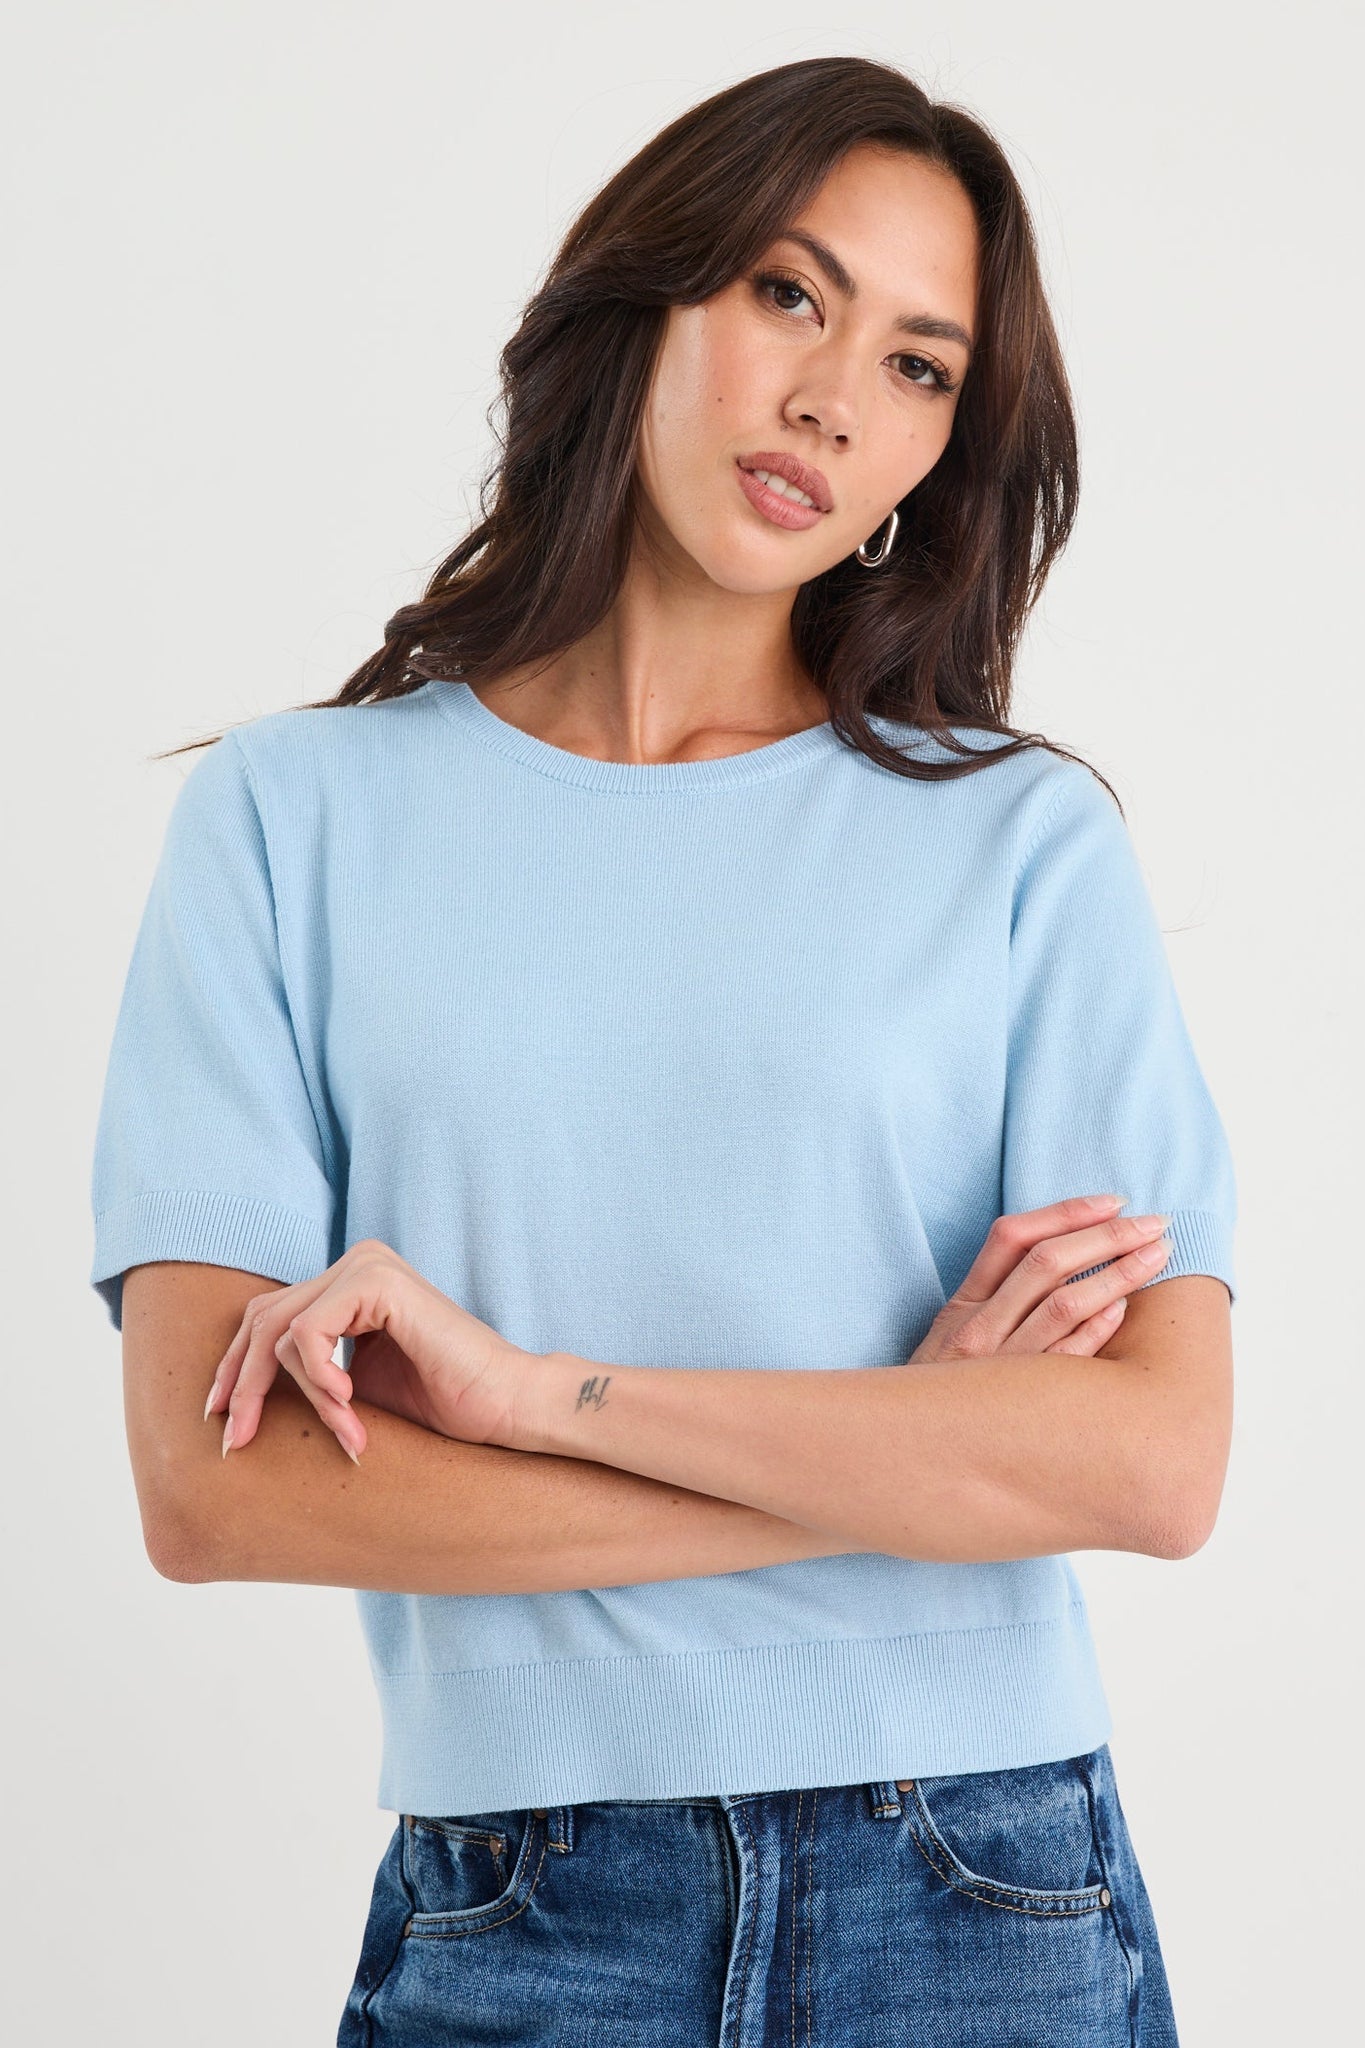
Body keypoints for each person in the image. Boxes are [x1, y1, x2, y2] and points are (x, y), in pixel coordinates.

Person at [89, 54, 1236, 2048]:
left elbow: (1151, 1460)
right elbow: (219, 1490)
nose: (830, 400)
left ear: (935, 453)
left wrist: (534, 1400)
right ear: (642, 301)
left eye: (916, 366)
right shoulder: (288, 820)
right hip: (521, 1902)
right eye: (788, 294)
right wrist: (899, 1463)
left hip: (974, 1888)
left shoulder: (1017, 840)